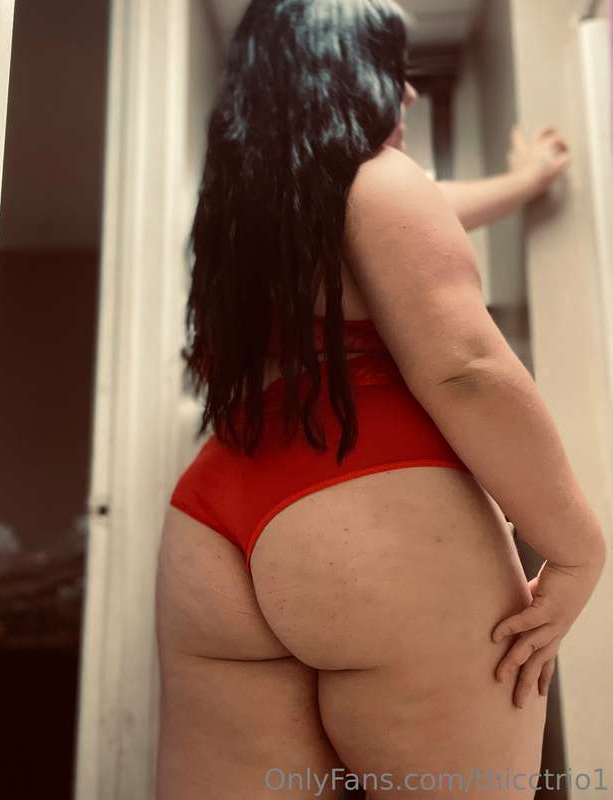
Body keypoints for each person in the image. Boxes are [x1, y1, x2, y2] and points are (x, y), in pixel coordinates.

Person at [155, 2, 606, 798]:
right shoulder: (383, 183)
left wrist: (525, 181)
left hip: (215, 522)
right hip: (370, 499)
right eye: (391, 69)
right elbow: (465, 368)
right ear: (342, 72)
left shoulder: (243, 216)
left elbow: (430, 207)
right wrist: (574, 548)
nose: (406, 93)